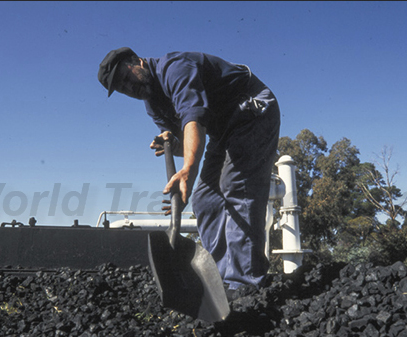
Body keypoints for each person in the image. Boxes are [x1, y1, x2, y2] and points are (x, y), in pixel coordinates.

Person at [98, 47, 280, 296]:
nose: (129, 87)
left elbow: (194, 122)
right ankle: (220, 280)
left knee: (237, 186)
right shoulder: (152, 104)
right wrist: (173, 144)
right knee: (205, 200)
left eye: (127, 77)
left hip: (251, 110)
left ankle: (245, 283)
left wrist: (187, 172)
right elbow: (188, 141)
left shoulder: (176, 69)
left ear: (136, 61)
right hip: (221, 131)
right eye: (121, 87)